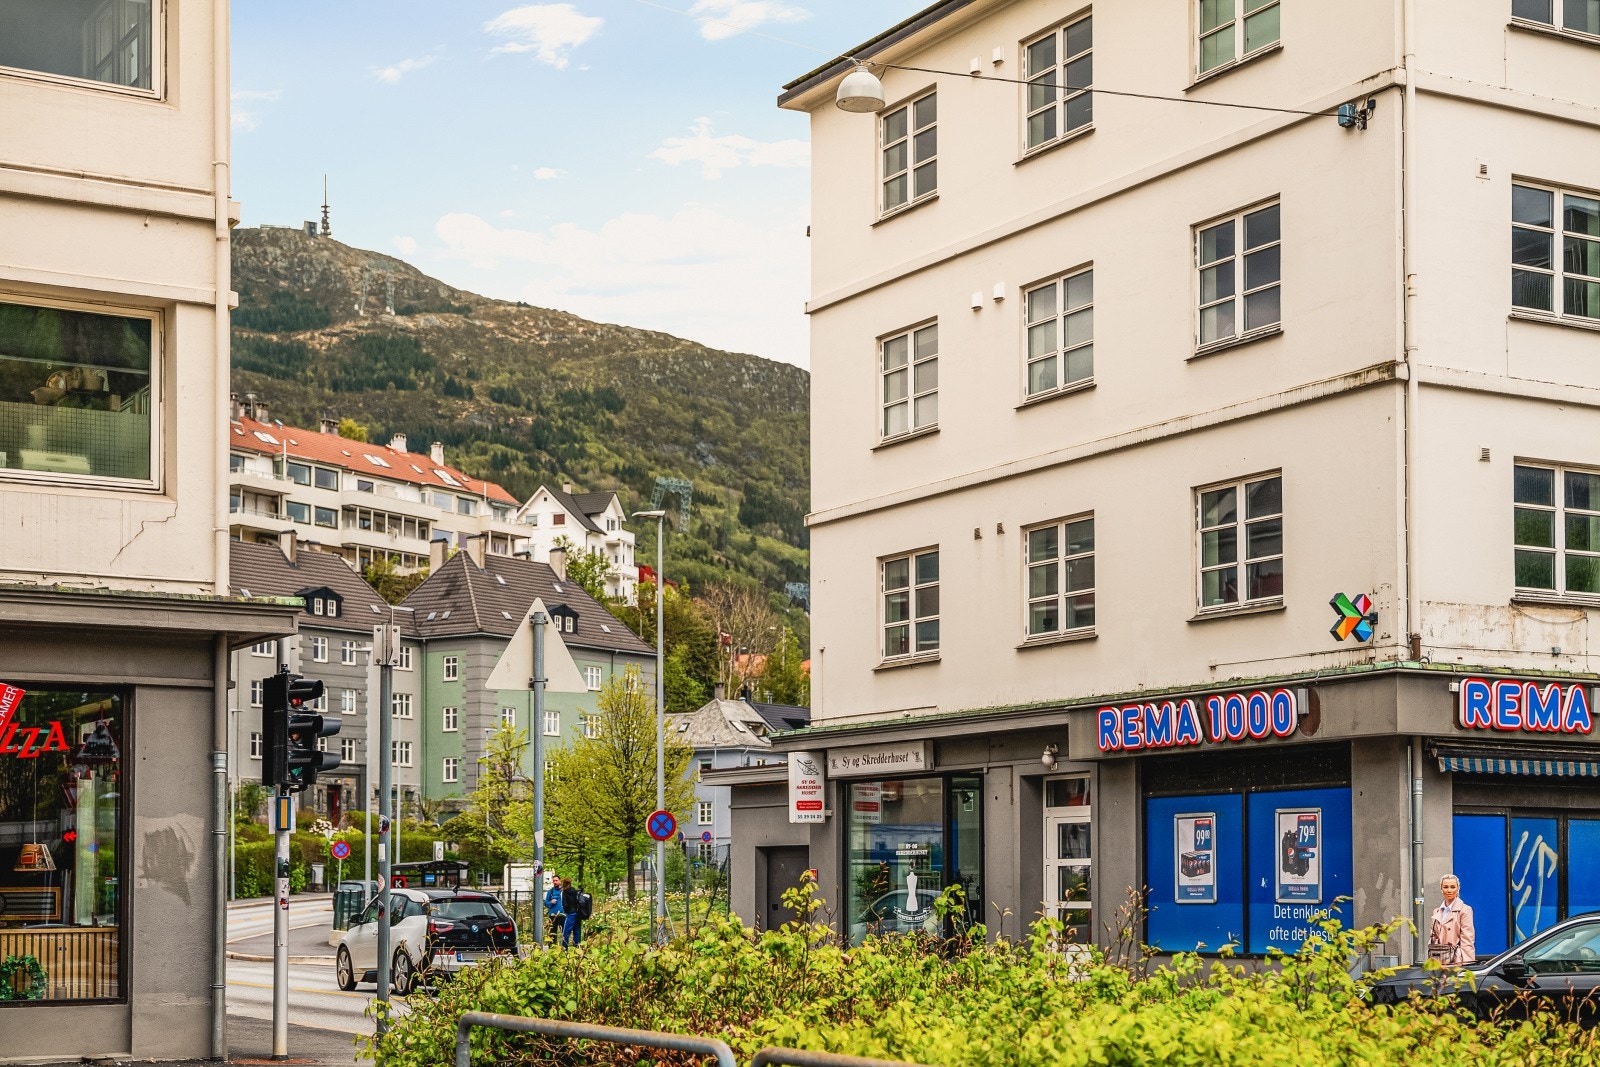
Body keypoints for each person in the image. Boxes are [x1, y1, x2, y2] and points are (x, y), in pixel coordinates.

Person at [1429, 873, 1475, 966]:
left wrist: (1468, 965)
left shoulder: (1464, 910)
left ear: (1458, 888)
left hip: (1456, 961)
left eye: (1452, 887)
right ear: (1441, 889)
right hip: (1439, 959)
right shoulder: (1436, 912)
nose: (1449, 890)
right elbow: (1432, 939)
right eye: (1445, 887)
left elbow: (1467, 940)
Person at [560, 877, 583, 948]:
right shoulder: (575, 891)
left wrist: (566, 911)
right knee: (577, 931)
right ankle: (577, 948)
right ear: (570, 883)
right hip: (578, 913)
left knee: (566, 932)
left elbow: (564, 904)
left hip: (570, 913)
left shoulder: (564, 892)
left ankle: (564, 948)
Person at [543, 873, 564, 942]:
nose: (555, 882)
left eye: (556, 880)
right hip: (552, 915)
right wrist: (551, 902)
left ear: (560, 881)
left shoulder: (564, 891)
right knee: (552, 934)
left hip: (562, 915)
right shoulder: (550, 891)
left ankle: (564, 948)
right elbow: (546, 903)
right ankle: (551, 948)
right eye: (553, 881)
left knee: (564, 933)